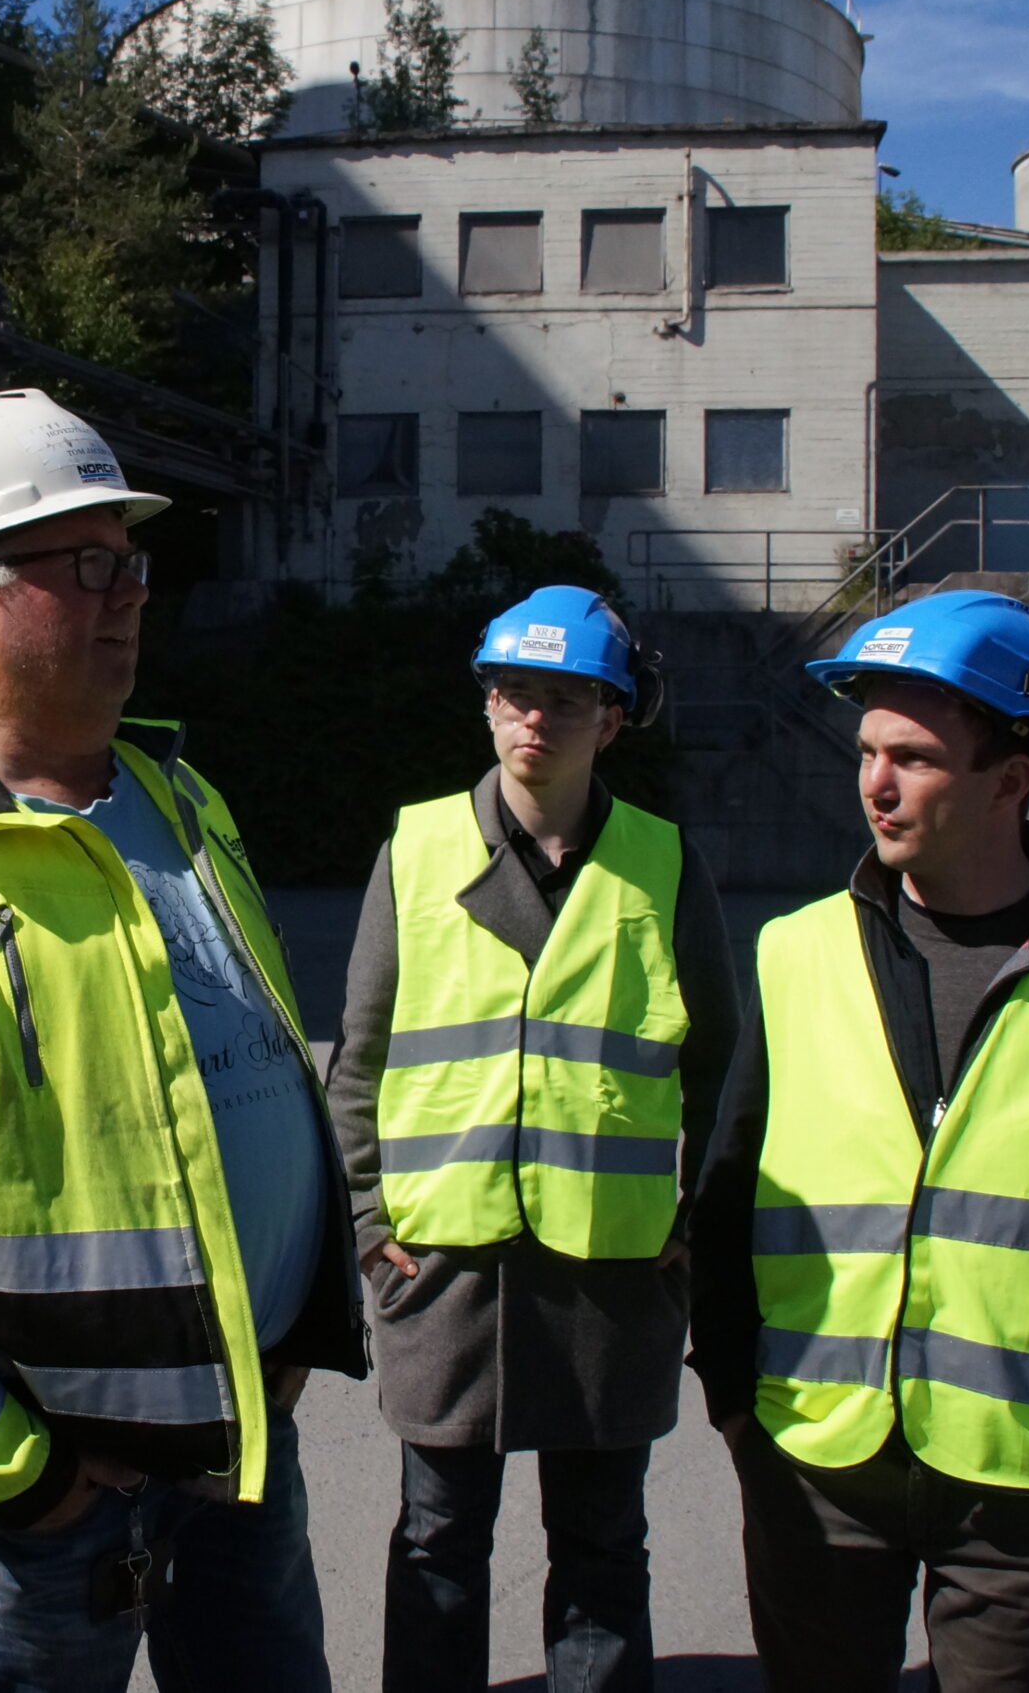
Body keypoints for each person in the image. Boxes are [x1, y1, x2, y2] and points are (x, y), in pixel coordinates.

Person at [0, 387, 364, 1691]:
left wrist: (298, 1323)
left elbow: (253, 1077)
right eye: (86, 563)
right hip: (35, 1508)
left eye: (132, 562)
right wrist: (8, 1470)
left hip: (241, 1446)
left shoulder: (181, 795)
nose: (131, 591)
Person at [688, 589, 1029, 1692]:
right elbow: (727, 1198)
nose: (874, 785)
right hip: (818, 1460)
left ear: (1009, 781)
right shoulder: (794, 953)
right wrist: (738, 1404)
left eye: (914, 760)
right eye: (869, 752)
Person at [327, 585, 738, 1693]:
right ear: (486, 704)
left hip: (611, 1270)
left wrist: (688, 1222)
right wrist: (370, 1223)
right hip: (446, 1267)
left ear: (612, 719)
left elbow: (718, 1067)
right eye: (513, 693)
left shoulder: (661, 862)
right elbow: (356, 1061)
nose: (532, 721)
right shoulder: (416, 851)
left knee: (602, 1548)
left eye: (566, 699)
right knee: (436, 1542)